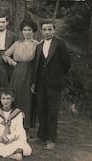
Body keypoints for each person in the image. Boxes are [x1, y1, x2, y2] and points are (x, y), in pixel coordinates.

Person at [31, 20, 71, 150]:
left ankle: (51, 139)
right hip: (41, 84)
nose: (47, 32)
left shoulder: (60, 44)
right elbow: (36, 66)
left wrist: (57, 77)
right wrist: (34, 83)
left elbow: (67, 64)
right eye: (44, 29)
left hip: (54, 83)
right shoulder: (38, 46)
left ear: (54, 30)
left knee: (52, 111)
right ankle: (41, 136)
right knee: (41, 110)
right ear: (41, 31)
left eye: (49, 29)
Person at [3, 19, 39, 132]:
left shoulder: (37, 45)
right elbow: (5, 55)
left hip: (30, 73)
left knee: (27, 99)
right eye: (24, 30)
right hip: (18, 73)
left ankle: (26, 127)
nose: (27, 32)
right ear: (21, 31)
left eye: (29, 30)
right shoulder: (17, 44)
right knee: (16, 97)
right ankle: (13, 125)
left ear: (33, 31)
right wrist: (12, 62)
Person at [0, 88, 32, 160]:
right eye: (3, 98)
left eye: (8, 98)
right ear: (0, 99)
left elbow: (19, 129)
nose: (5, 101)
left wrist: (9, 138)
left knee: (21, 147)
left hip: (13, 140)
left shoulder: (18, 113)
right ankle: (11, 155)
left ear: (12, 99)